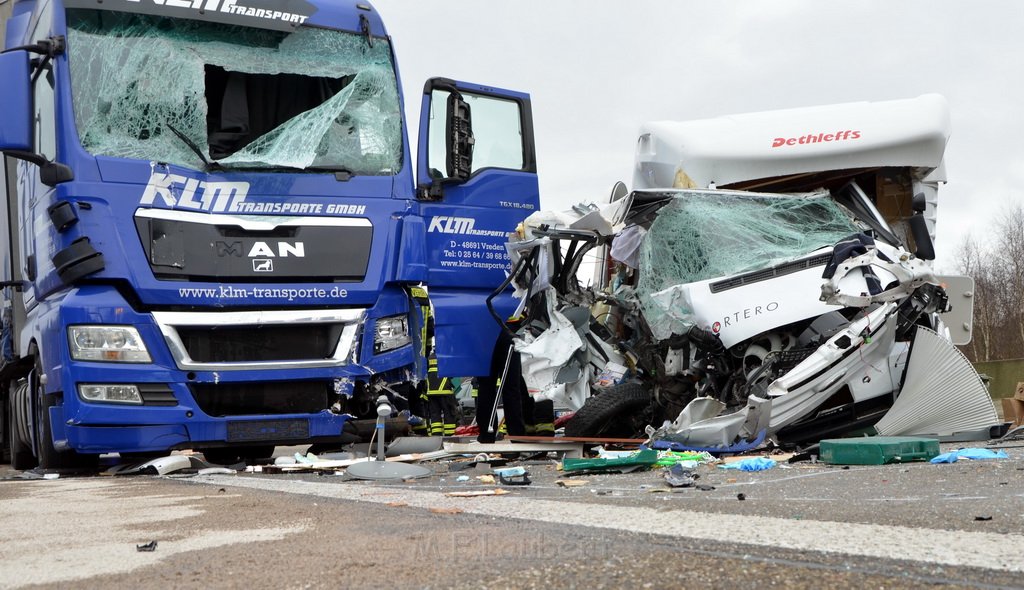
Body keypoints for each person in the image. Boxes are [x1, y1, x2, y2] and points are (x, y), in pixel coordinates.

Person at [426, 351, 459, 436]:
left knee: (435, 414)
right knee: (448, 413)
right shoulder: (445, 355)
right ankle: (450, 435)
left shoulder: (429, 357)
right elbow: (452, 373)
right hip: (444, 391)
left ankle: (436, 435)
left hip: (431, 391)